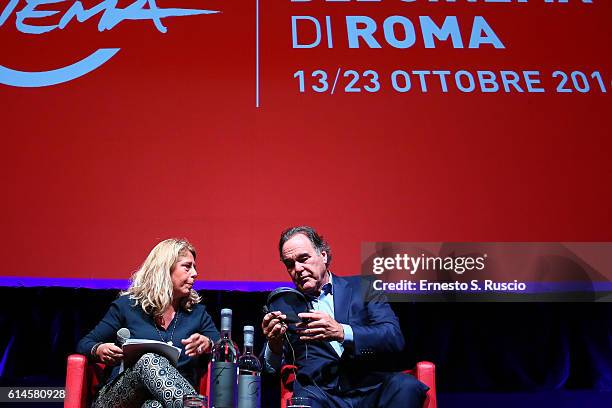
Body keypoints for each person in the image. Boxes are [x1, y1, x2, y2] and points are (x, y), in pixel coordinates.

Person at [262, 226, 428, 408]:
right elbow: (270, 369)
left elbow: (393, 337)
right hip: (320, 394)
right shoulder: (284, 305)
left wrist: (342, 332)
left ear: (323, 256)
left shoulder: (364, 287)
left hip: (370, 388)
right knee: (303, 401)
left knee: (406, 386)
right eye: (290, 264)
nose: (298, 269)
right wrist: (274, 344)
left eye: (303, 259)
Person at [77, 238, 220, 408]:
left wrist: (209, 343)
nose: (195, 273)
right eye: (187, 267)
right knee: (149, 360)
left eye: (195, 267)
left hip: (166, 402)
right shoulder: (127, 306)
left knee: (154, 406)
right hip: (118, 399)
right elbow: (84, 344)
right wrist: (98, 349)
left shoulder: (197, 313)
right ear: (165, 269)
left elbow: (228, 349)